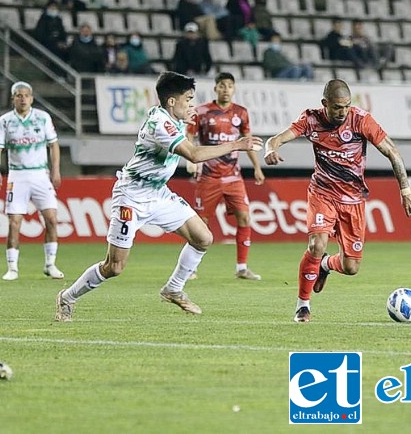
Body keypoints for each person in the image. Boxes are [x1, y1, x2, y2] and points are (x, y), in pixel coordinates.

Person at [54, 71, 262, 322]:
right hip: (131, 196)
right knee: (114, 267)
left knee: (203, 237)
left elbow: (184, 135)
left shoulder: (171, 118)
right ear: (172, 101)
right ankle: (67, 297)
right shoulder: (159, 123)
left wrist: (186, 121)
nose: (191, 104)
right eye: (188, 99)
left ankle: (173, 288)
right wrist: (235, 144)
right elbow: (193, 155)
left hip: (158, 193)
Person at [263, 79, 411, 323]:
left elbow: (392, 152)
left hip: (353, 200)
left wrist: (405, 190)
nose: (342, 112)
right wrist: (270, 150)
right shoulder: (310, 120)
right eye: (337, 107)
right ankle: (302, 305)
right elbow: (276, 139)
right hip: (322, 194)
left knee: (351, 267)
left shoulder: (361, 120)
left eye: (346, 107)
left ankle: (325, 265)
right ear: (325, 104)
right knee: (316, 244)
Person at [186, 72, 265, 281]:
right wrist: (189, 160)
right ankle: (191, 268)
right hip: (209, 176)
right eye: (222, 85)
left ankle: (242, 267)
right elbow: (189, 137)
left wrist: (257, 167)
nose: (226, 89)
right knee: (200, 223)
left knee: (245, 217)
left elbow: (248, 142)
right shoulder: (201, 111)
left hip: (233, 177)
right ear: (215, 88)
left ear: (234, 89)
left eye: (229, 85)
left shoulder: (241, 112)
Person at [0, 81, 64, 281]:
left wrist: (56, 171)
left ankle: (50, 264)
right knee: (15, 222)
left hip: (40, 175)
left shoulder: (42, 118)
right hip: (17, 176)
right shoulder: (5, 121)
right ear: (13, 99)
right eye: (18, 95)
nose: (23, 98)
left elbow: (53, 145)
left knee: (52, 219)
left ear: (32, 98)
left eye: (26, 95)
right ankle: (12, 268)